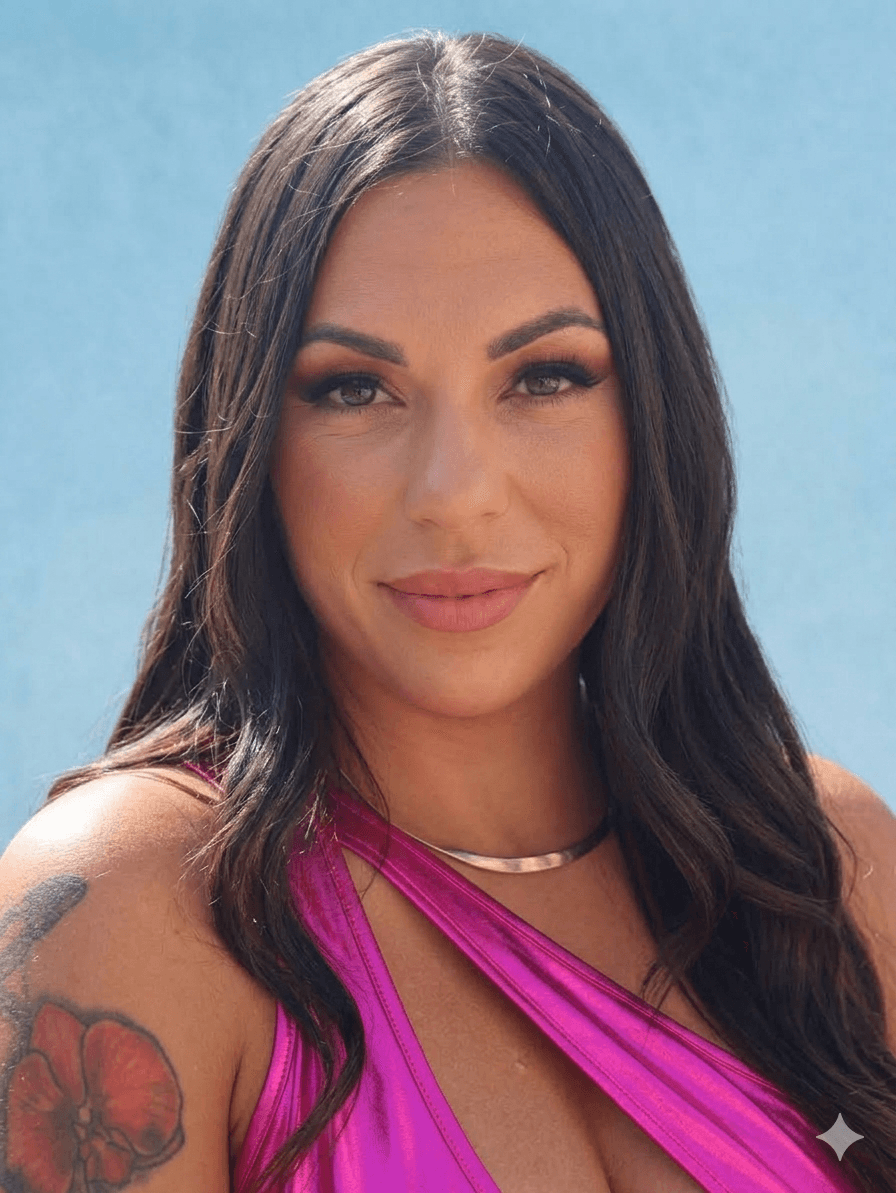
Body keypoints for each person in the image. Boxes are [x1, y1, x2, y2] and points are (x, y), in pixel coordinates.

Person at [0, 28, 893, 1193]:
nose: (454, 492)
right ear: (251, 442)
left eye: (543, 376)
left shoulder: (822, 869)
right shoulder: (135, 907)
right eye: (354, 390)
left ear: (652, 417)